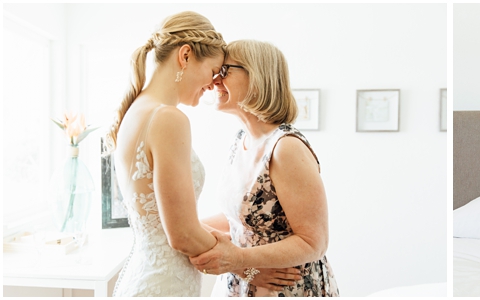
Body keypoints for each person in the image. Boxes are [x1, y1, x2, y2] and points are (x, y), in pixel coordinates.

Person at [189, 39, 340, 297]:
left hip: (285, 289)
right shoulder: (240, 140)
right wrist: (187, 228)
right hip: (243, 283)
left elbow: (314, 242)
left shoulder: (286, 148)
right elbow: (239, 220)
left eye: (224, 71)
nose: (214, 80)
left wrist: (239, 260)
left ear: (257, 77)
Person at [107, 11, 225, 296]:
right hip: (164, 287)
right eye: (212, 72)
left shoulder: (136, 111)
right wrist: (250, 266)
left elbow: (166, 224)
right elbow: (182, 234)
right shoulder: (167, 118)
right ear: (185, 56)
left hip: (148, 278)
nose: (213, 85)